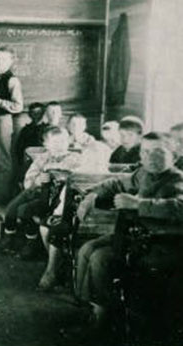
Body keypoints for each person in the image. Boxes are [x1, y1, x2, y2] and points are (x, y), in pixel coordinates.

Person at [74, 132, 183, 340]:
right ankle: (88, 309)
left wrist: (137, 204)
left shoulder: (177, 179)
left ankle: (102, 321)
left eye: (158, 152)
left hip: (161, 243)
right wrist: (92, 194)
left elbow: (179, 207)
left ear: (175, 156)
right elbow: (116, 184)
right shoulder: (143, 173)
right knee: (87, 249)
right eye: (145, 152)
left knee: (100, 259)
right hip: (135, 238)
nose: (150, 157)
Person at [0, 127, 81, 259]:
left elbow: (75, 177)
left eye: (62, 142)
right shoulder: (43, 158)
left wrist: (56, 170)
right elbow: (29, 177)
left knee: (24, 210)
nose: (59, 146)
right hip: (34, 190)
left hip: (53, 197)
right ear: (46, 144)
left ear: (69, 142)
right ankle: (9, 238)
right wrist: (37, 181)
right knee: (11, 209)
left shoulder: (74, 159)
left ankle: (32, 242)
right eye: (55, 143)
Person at [0, 47, 24, 204]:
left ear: (11, 61)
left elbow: (18, 106)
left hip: (3, 121)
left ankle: (4, 195)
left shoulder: (13, 80)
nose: (0, 62)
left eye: (4, 59)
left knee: (4, 159)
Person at [13, 102, 46, 185]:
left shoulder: (47, 129)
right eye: (33, 113)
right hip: (28, 163)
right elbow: (19, 149)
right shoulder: (25, 130)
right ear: (29, 115)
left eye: (38, 112)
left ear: (43, 113)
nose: (36, 115)